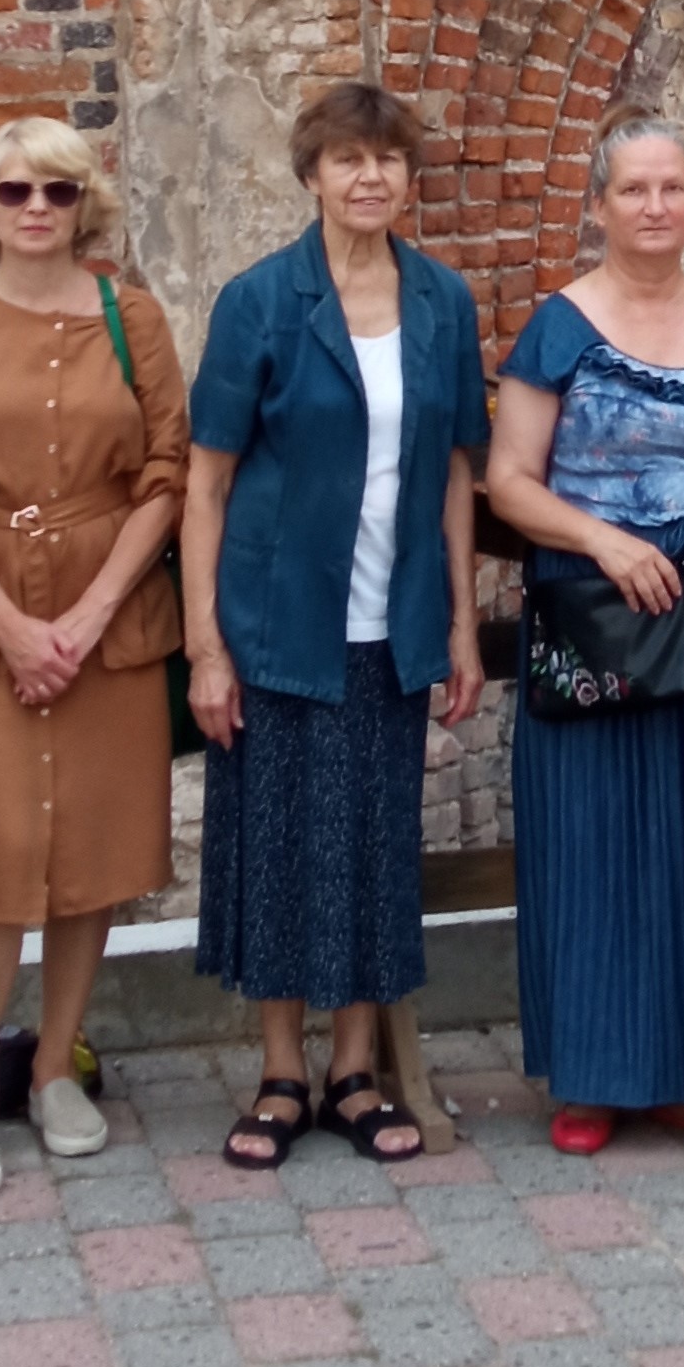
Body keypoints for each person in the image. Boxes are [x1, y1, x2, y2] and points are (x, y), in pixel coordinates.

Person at [181, 82, 489, 1170]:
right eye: (349, 160)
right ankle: (280, 1073)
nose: (370, 178)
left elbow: (454, 475)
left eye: (388, 160)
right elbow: (206, 483)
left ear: (409, 178)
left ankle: (355, 1071)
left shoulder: (442, 302)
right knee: (273, 846)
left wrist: (461, 624)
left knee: (372, 846)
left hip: (390, 624)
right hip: (276, 623)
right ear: (312, 175)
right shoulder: (262, 301)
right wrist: (205, 647)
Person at [484, 110, 684, 1152]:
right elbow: (508, 482)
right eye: (634, 190)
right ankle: (594, 1078)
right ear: (601, 205)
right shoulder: (559, 330)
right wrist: (604, 540)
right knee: (594, 836)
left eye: (672, 187)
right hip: (596, 608)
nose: (655, 207)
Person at [0, 118, 187, 1200]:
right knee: (1, 856)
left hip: (113, 609)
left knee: (93, 856)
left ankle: (58, 1063)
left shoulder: (132, 316)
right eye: (15, 191)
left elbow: (166, 471)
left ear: (84, 206)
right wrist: (17, 630)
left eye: (58, 192)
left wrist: (96, 609)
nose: (36, 208)